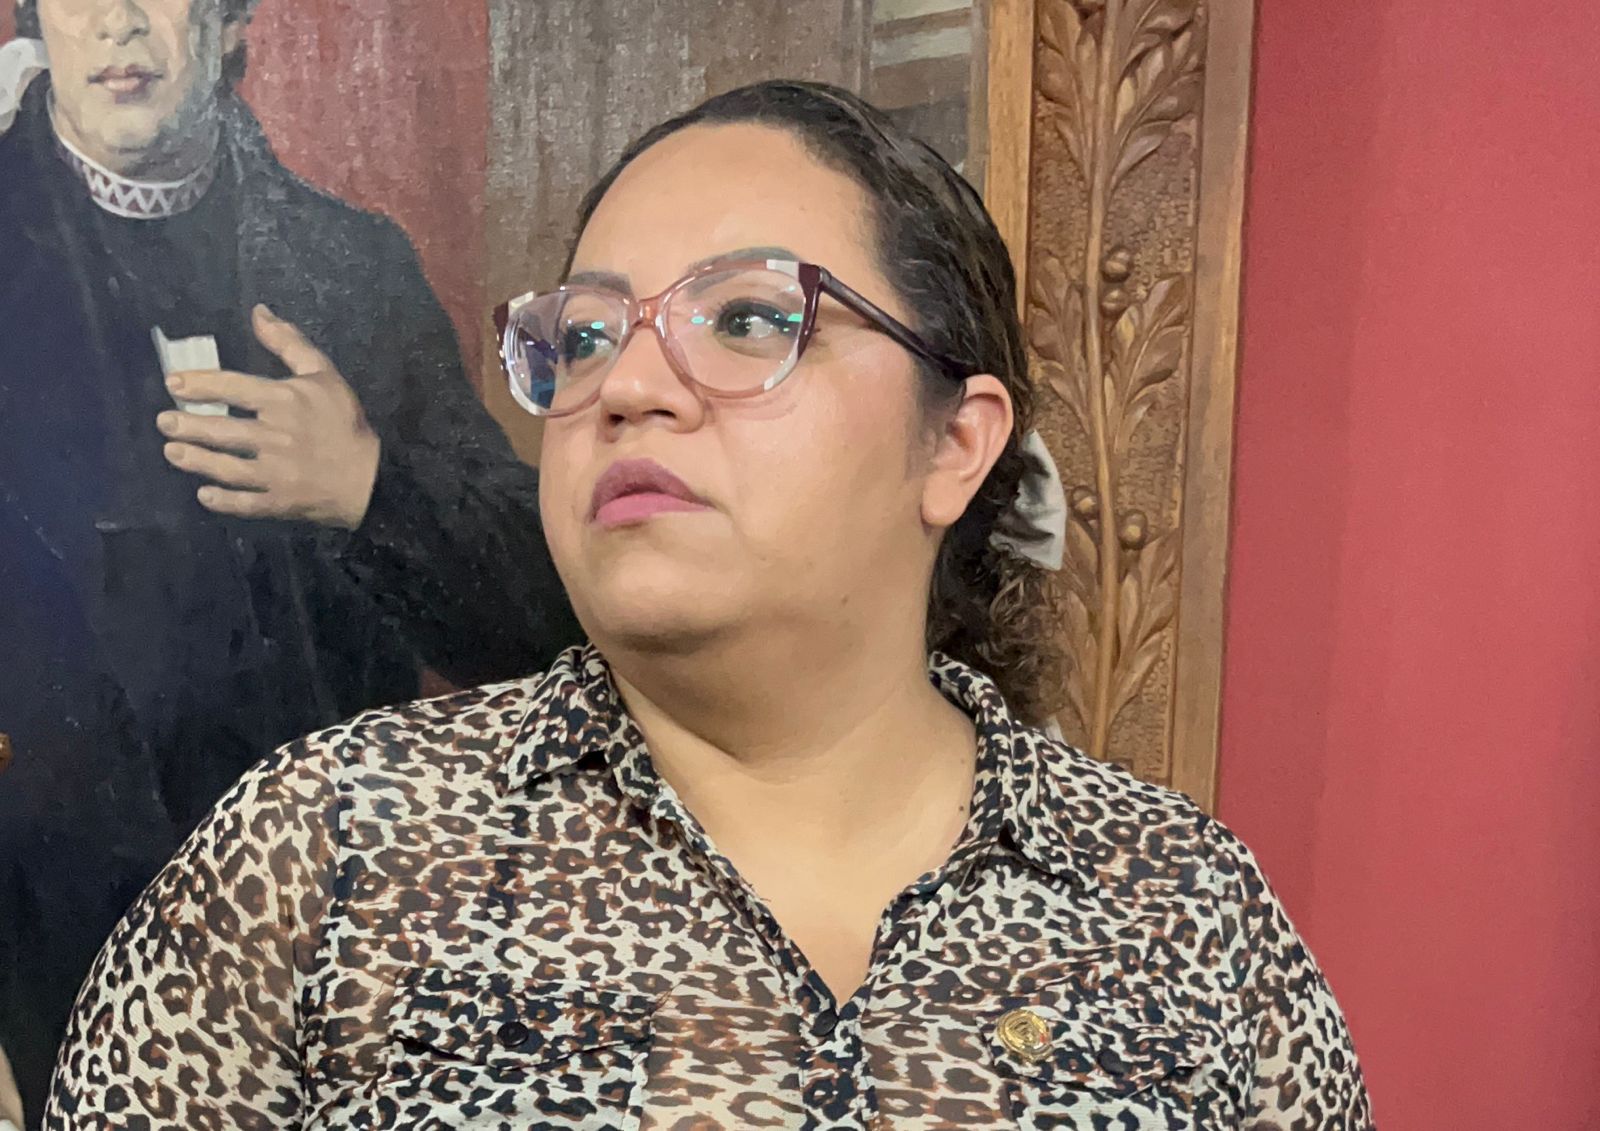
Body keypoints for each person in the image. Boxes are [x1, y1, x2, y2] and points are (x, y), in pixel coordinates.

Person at [45, 80, 1373, 1129]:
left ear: (955, 443)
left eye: (746, 320)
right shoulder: (326, 848)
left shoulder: (1181, 909)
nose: (624, 387)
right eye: (581, 336)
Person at [0, 1, 581, 1124]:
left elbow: (540, 622)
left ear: (226, 19)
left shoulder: (351, 265)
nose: (117, 21)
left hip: (324, 982)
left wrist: (370, 489)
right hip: (42, 969)